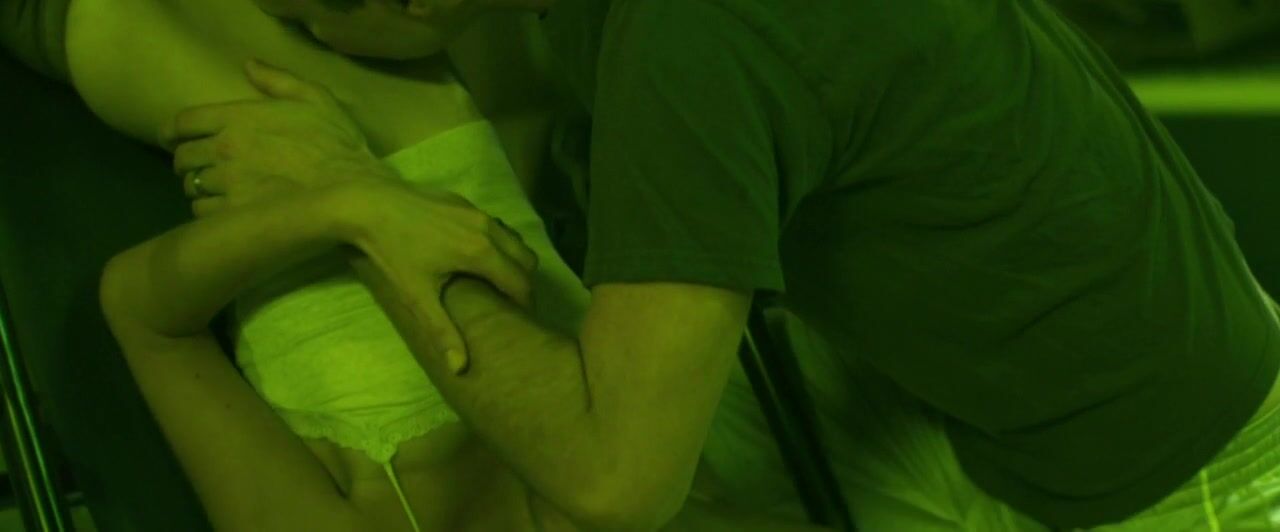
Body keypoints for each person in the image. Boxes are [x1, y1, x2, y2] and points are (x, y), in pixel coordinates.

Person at [161, 0, 1280, 531]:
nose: (305, 25)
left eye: (307, 8)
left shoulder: (687, 42)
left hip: (1180, 479)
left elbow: (613, 482)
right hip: (1073, 371)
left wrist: (366, 213)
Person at [2, 0, 829, 531]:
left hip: (253, 108)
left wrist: (349, 207)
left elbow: (144, 314)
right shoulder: (674, 499)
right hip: (446, 100)